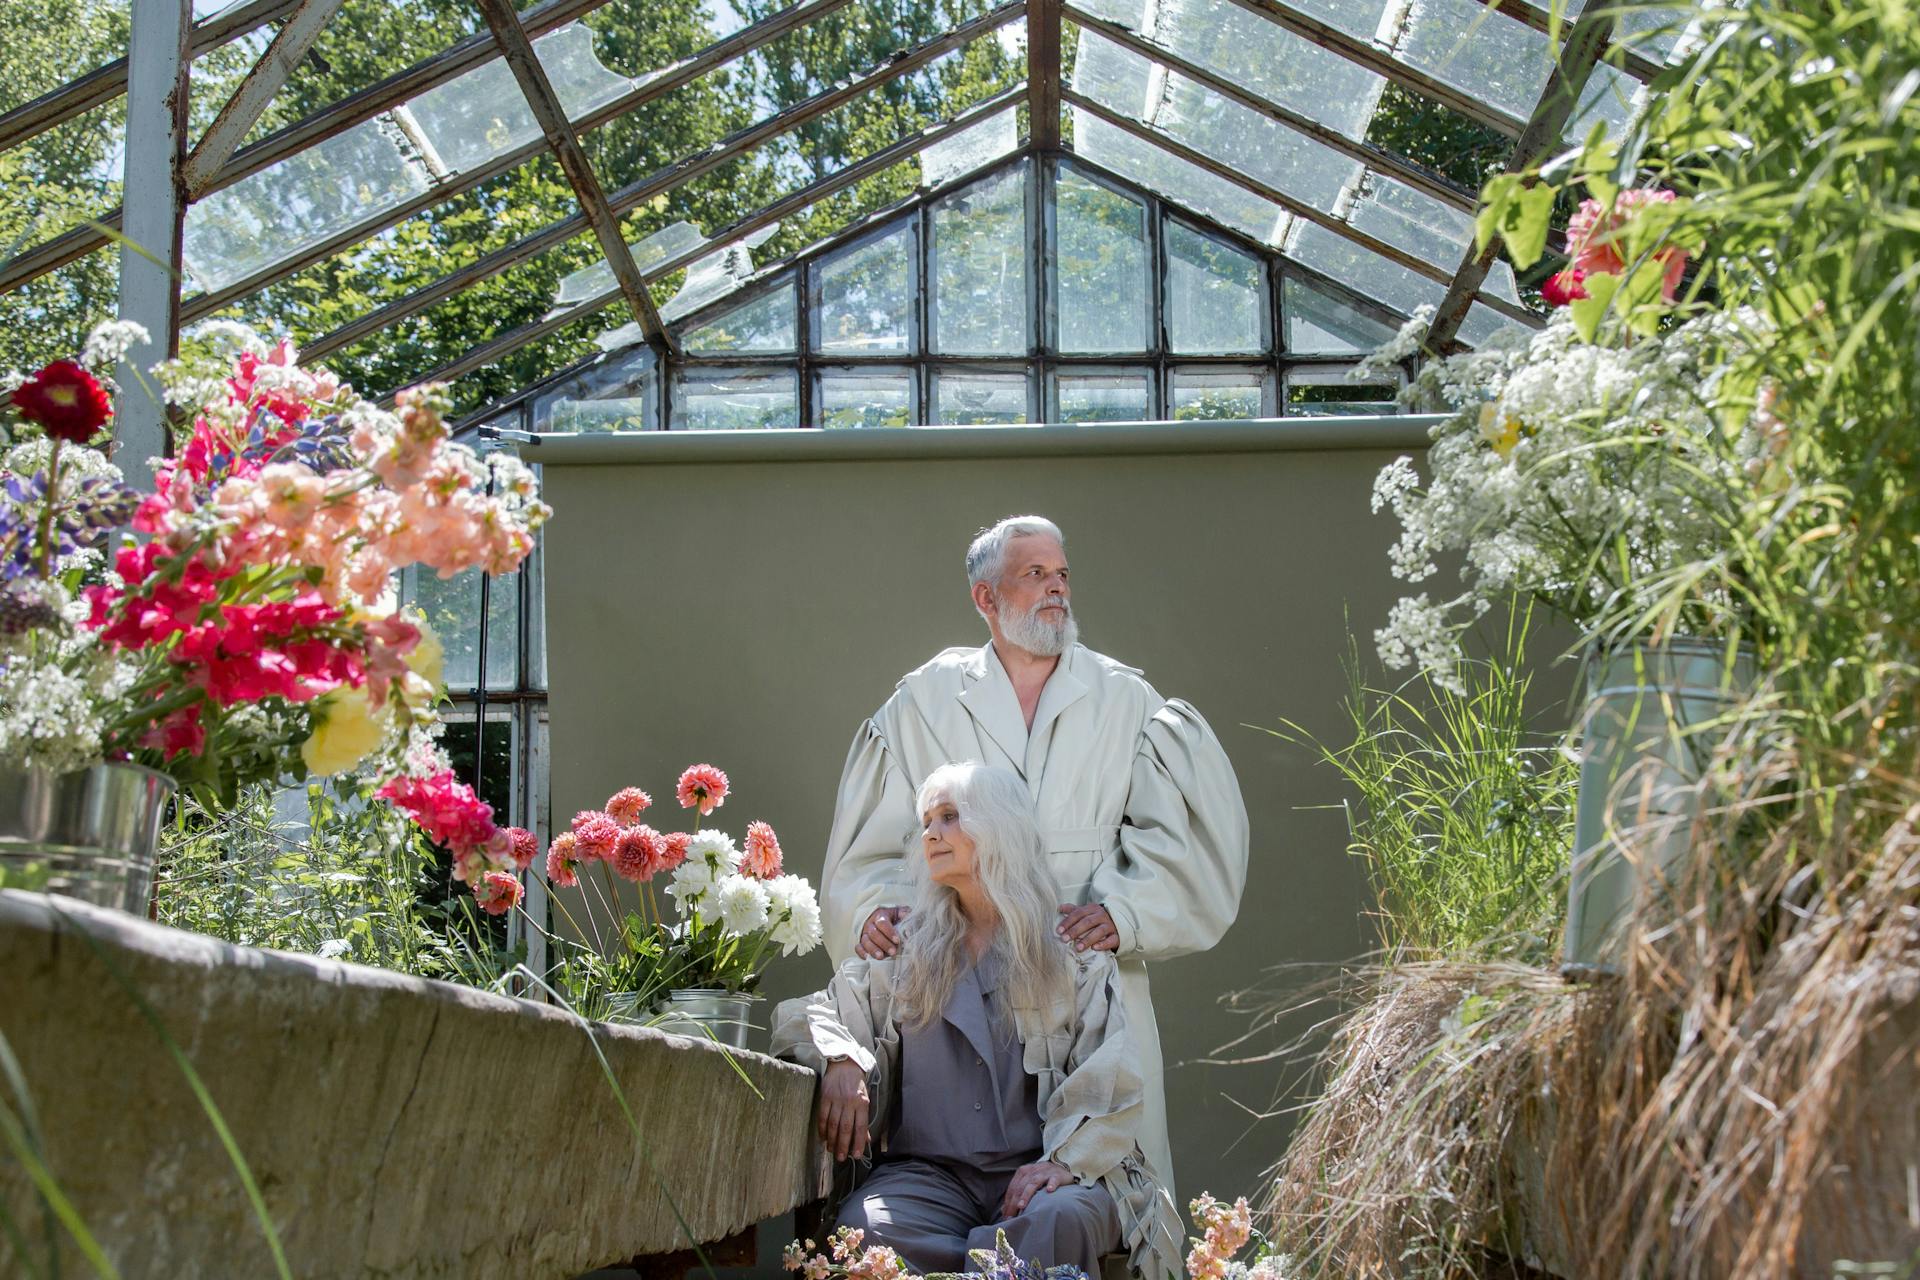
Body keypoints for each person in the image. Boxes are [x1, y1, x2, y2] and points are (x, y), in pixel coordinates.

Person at [819, 516, 1250, 1196]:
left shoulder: (1124, 700)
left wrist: (1125, 912)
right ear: (985, 599)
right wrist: (874, 912)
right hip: (955, 975)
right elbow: (869, 845)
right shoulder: (923, 701)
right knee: (942, 1171)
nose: (1057, 588)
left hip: (1082, 984)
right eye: (1035, 574)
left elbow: (1180, 838)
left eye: (1062, 573)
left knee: (1093, 1185)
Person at [773, 762, 1183, 1279]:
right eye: (925, 822)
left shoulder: (1072, 953)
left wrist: (1062, 1163)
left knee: (1060, 1220)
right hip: (925, 1179)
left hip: (1041, 1173)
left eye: (948, 817)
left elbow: (1110, 1077)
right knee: (870, 1227)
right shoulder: (903, 944)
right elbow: (815, 1013)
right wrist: (841, 1058)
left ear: (999, 825)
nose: (930, 833)